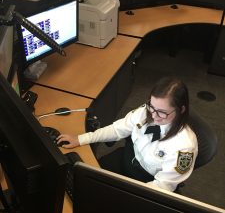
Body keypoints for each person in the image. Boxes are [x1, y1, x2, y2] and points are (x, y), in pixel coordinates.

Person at [57, 77, 198, 192]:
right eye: (152, 107)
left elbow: (162, 186)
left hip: (147, 180)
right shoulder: (146, 111)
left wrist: (128, 197)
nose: (154, 116)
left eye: (162, 112)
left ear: (181, 109)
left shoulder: (184, 146)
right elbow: (117, 129)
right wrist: (81, 138)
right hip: (127, 158)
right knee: (83, 180)